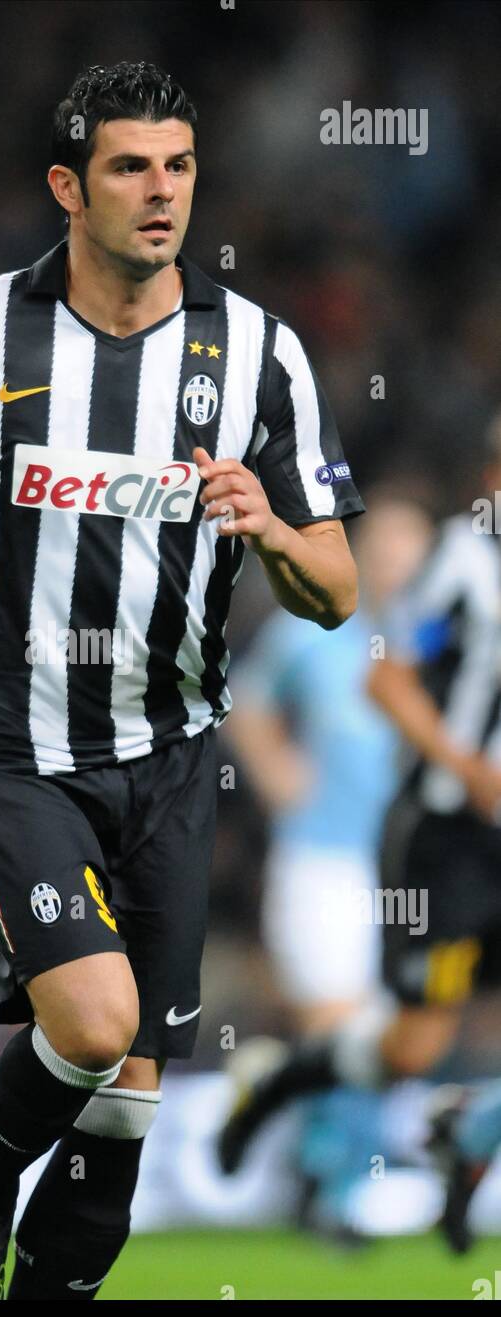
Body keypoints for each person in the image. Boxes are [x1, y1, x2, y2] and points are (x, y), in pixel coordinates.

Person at [0, 60, 363, 1301]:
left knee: (128, 1104)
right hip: (4, 732)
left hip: (167, 750)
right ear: (69, 185)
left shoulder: (257, 353)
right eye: (128, 166)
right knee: (98, 1026)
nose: (160, 192)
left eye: (177, 164)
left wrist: (270, 529)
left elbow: (338, 589)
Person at [219, 417, 501, 1255]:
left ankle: (468, 1129)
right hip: (438, 838)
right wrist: (469, 767)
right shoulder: (459, 561)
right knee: (405, 1044)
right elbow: (388, 679)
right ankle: (301, 1117)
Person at [222, 493, 431, 1238]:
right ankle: (347, 1188)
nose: (397, 570)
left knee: (388, 1030)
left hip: (406, 869)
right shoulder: (313, 632)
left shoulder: (442, 644)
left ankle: (320, 1165)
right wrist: (276, 769)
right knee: (335, 1014)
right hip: (320, 857)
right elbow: (242, 702)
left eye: (411, 557)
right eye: (385, 554)